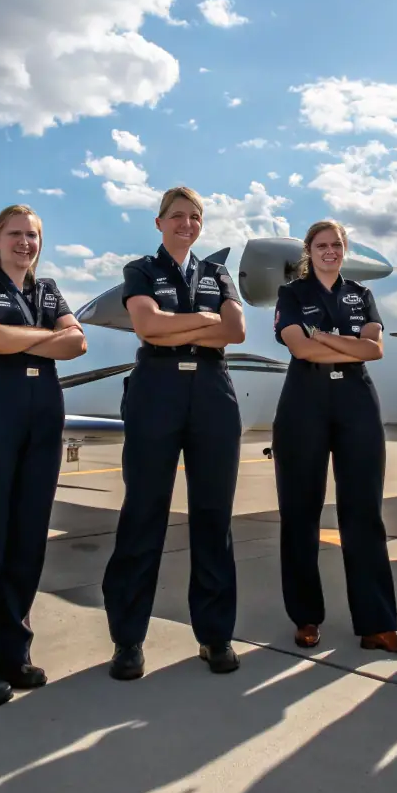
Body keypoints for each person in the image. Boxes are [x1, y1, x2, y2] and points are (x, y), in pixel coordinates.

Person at [0, 204, 88, 707]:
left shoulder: (47, 290)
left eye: (33, 235)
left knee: (26, 544)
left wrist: (23, 341)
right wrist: (49, 337)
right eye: (15, 234)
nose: (26, 242)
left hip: (43, 421)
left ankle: (12, 653)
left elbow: (79, 345)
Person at [101, 186, 247, 679]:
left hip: (211, 390)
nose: (187, 224)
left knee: (213, 515)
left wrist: (179, 326)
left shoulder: (216, 272)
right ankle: (128, 640)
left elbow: (234, 331)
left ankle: (215, 635)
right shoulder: (141, 270)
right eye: (177, 216)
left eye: (195, 217)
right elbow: (146, 326)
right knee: (143, 512)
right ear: (160, 222)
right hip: (156, 388)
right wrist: (202, 321)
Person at [271, 219, 397, 654]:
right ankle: (306, 618)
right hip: (305, 401)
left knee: (364, 513)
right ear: (309, 250)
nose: (330, 251)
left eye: (336, 245)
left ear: (345, 249)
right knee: (301, 512)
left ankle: (377, 624)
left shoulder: (361, 294)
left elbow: (374, 349)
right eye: (321, 245)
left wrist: (322, 336)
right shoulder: (292, 294)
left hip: (356, 400)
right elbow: (299, 348)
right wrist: (343, 342)